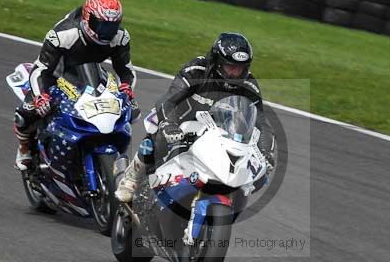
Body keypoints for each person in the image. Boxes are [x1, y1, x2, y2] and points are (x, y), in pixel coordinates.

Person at [114, 32, 275, 202]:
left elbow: (262, 123)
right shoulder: (196, 70)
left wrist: (266, 152)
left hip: (219, 133)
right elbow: (169, 99)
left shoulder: (249, 84)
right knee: (155, 128)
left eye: (240, 68)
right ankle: (131, 179)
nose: (235, 73)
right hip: (183, 121)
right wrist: (168, 123)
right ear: (217, 62)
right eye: (230, 67)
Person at [14, 0, 138, 169]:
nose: (107, 33)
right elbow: (41, 69)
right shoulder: (63, 35)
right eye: (102, 26)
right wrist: (41, 96)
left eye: (112, 27)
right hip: (56, 70)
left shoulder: (120, 37)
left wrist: (126, 89)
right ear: (88, 18)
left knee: (131, 112)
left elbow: (126, 70)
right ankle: (24, 147)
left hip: (91, 71)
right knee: (26, 113)